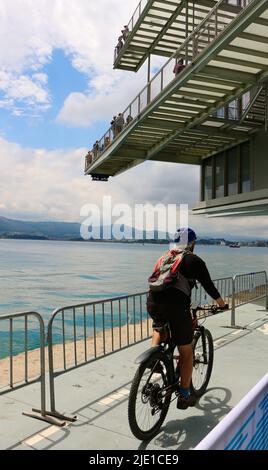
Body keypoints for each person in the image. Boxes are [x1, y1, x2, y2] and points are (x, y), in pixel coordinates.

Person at [146, 227, 229, 410]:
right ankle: (184, 395)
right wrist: (222, 305)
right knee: (186, 352)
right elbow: (209, 287)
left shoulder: (164, 257)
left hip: (153, 303)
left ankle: (154, 357)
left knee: (159, 328)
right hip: (176, 308)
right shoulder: (193, 260)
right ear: (192, 243)